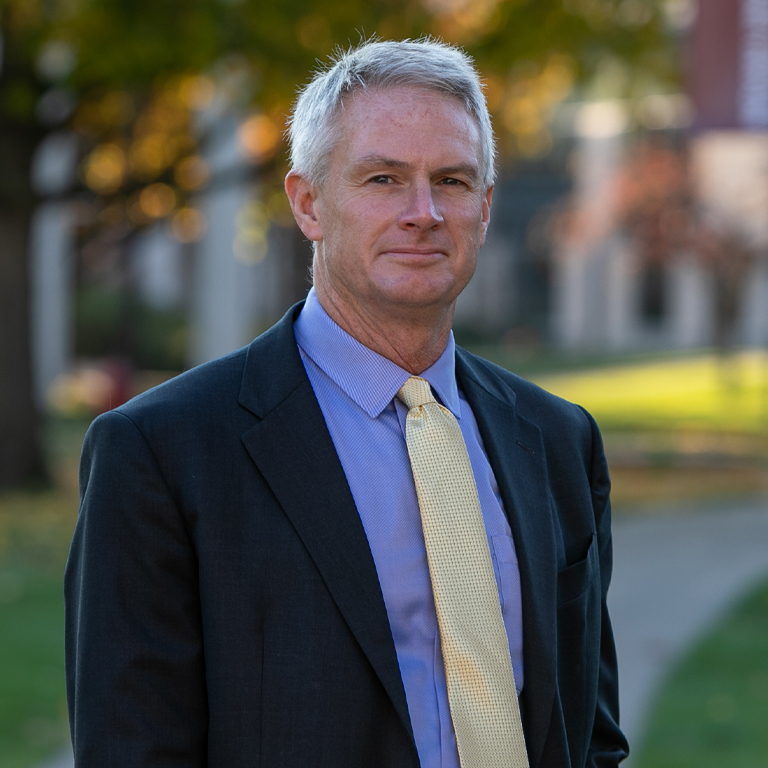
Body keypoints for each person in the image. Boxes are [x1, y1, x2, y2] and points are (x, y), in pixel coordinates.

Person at [65, 39, 628, 768]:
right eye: (384, 178)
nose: (423, 212)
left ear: (485, 209)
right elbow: (132, 751)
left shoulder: (557, 441)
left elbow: (591, 737)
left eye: (452, 181)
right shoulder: (162, 453)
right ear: (309, 204)